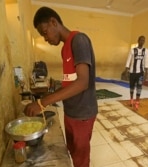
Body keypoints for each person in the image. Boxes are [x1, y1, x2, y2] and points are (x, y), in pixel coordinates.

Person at [24, 6, 98, 167]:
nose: (45, 38)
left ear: (53, 22)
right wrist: (44, 99)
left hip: (83, 114)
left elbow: (82, 82)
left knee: (81, 159)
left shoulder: (79, 40)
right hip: (71, 112)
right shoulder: (65, 49)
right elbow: (69, 84)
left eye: (44, 32)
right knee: (71, 151)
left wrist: (42, 103)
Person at [125, 35, 148, 110]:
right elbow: (128, 60)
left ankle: (137, 102)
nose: (142, 41)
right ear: (138, 41)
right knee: (131, 87)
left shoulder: (146, 51)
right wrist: (126, 70)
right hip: (132, 72)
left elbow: (146, 61)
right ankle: (131, 100)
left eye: (143, 40)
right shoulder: (133, 50)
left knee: (139, 87)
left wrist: (146, 72)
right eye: (141, 40)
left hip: (140, 72)